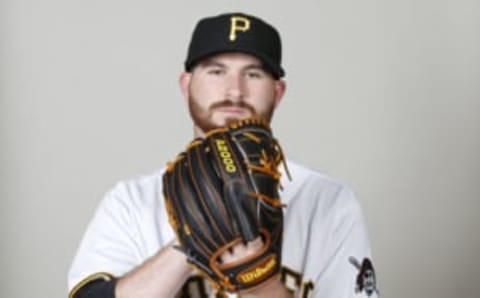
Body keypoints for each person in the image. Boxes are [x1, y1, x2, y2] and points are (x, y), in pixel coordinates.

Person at [68, 12, 378, 298]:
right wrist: (190, 243)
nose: (234, 91)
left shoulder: (329, 202)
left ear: (278, 92)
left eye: (253, 74)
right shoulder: (132, 202)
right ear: (187, 86)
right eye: (216, 71)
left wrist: (260, 281)